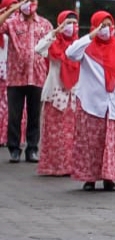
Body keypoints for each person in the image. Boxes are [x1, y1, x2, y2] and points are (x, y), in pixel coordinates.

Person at [66, 11, 115, 192]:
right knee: (91, 142)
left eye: (109, 25)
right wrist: (90, 36)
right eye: (101, 25)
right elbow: (70, 52)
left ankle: (110, 178)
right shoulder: (87, 50)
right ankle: (89, 178)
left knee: (113, 143)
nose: (106, 29)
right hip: (92, 103)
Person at [0, 0, 51, 163]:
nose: (29, 4)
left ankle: (32, 149)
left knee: (34, 115)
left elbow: (52, 47)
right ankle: (14, 149)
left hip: (37, 76)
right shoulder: (12, 23)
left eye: (32, 1)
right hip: (16, 77)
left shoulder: (44, 24)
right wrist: (12, 10)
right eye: (25, 1)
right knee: (14, 115)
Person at [34, 11, 81, 176]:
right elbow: (38, 48)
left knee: (71, 133)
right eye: (67, 22)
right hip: (55, 95)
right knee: (55, 133)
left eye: (74, 23)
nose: (71, 27)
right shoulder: (53, 44)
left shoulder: (78, 46)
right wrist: (54, 32)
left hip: (73, 96)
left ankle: (70, 166)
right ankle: (53, 166)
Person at [0, 0, 18, 147]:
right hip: (1, 68)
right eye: (10, 8)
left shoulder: (17, 26)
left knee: (9, 106)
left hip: (12, 70)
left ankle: (6, 136)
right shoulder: (3, 24)